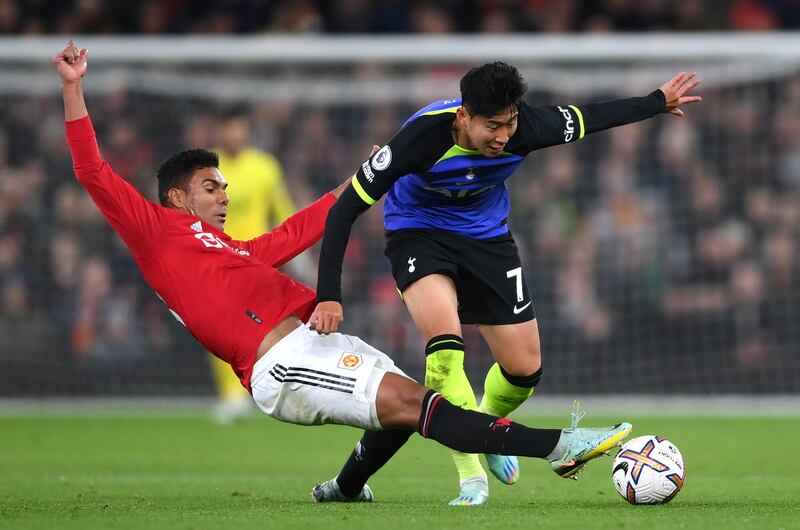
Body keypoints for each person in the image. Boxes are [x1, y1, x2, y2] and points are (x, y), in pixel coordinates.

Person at [55, 41, 632, 504]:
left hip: (312, 343)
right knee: (418, 405)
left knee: (408, 404)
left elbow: (293, 233)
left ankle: (345, 488)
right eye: (212, 187)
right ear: (177, 198)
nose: (225, 195)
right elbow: (92, 170)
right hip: (278, 366)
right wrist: (73, 87)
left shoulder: (232, 251)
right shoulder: (156, 233)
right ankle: (559, 446)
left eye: (226, 186)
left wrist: (360, 185)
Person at [312, 62, 701, 505]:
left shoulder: (529, 127)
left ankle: (486, 430)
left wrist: (655, 102)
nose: (503, 136)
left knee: (524, 370)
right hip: (418, 234)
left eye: (509, 122)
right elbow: (342, 211)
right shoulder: (420, 138)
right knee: (444, 353)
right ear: (464, 117)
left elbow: (593, 117)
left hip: (485, 239)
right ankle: (471, 477)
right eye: (492, 125)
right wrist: (329, 294)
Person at [207, 107, 303, 423]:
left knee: (271, 325)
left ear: (246, 130)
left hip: (260, 260)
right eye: (228, 128)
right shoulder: (207, 169)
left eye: (239, 128)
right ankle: (233, 396)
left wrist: (300, 256)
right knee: (218, 328)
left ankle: (282, 386)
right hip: (219, 259)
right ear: (220, 131)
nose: (234, 134)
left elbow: (283, 210)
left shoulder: (265, 167)